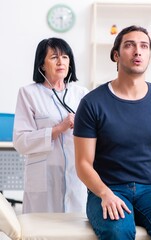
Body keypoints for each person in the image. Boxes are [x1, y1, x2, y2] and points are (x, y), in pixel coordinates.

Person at [73, 25, 151, 240]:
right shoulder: (91, 103)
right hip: (107, 189)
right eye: (129, 45)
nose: (138, 51)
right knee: (118, 230)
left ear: (149, 55)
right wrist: (105, 194)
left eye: (144, 46)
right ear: (116, 55)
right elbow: (83, 164)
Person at [13, 37, 88, 213]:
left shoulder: (81, 94)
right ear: (42, 64)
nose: (61, 62)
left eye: (65, 57)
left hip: (77, 174)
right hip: (44, 175)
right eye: (54, 57)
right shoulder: (28, 93)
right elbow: (21, 141)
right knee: (42, 230)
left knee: (76, 229)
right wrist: (58, 129)